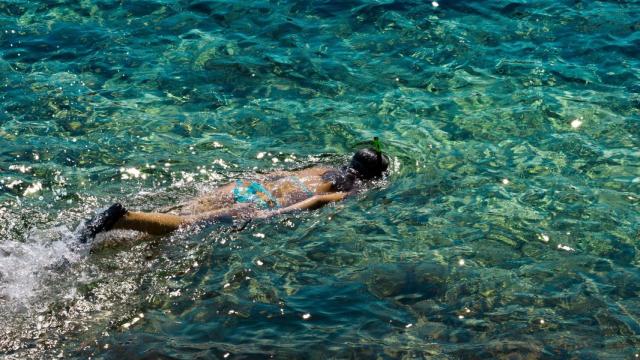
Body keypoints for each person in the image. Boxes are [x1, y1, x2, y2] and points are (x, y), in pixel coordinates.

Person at [78, 147, 389, 243]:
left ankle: (124, 224)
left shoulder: (322, 168)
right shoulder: (346, 190)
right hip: (261, 202)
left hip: (250, 188)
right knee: (190, 223)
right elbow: (317, 201)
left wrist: (245, 182)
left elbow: (277, 176)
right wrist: (272, 215)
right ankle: (123, 218)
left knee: (189, 207)